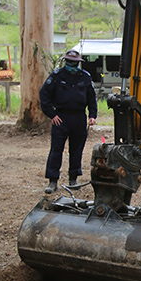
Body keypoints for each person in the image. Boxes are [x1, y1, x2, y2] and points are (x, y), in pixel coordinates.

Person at [40, 50, 98, 194]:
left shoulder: (85, 77)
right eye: (69, 62)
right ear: (65, 61)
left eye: (74, 62)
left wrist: (92, 115)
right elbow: (44, 95)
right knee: (56, 150)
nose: (72, 65)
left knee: (76, 150)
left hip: (79, 118)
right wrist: (52, 114)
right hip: (61, 118)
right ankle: (53, 181)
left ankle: (73, 179)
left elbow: (91, 97)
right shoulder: (57, 76)